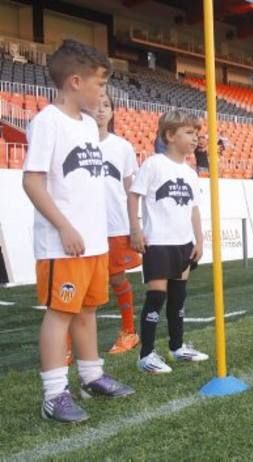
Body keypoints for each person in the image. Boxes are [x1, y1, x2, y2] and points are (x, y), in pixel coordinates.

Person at [22, 39, 134, 424]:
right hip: (62, 243)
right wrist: (65, 227)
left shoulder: (88, 124)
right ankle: (54, 395)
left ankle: (92, 377)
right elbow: (33, 182)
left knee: (87, 311)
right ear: (74, 82)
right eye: (99, 85)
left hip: (94, 242)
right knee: (60, 314)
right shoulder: (47, 122)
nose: (103, 93)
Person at [128, 110, 209, 374]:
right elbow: (134, 196)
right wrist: (136, 229)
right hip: (159, 243)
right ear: (170, 135)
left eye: (196, 133)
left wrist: (199, 239)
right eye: (188, 132)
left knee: (178, 297)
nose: (195, 138)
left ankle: (177, 347)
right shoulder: (154, 164)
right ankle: (146, 354)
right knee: (156, 297)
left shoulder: (190, 172)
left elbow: (194, 209)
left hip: (183, 243)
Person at [94, 92, 143, 354]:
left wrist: (135, 226)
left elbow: (130, 190)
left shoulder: (121, 147)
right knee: (81, 284)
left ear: (113, 112)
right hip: (83, 226)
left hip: (114, 225)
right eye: (96, 105)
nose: (101, 110)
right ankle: (67, 344)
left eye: (106, 106)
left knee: (117, 279)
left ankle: (128, 332)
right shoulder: (75, 143)